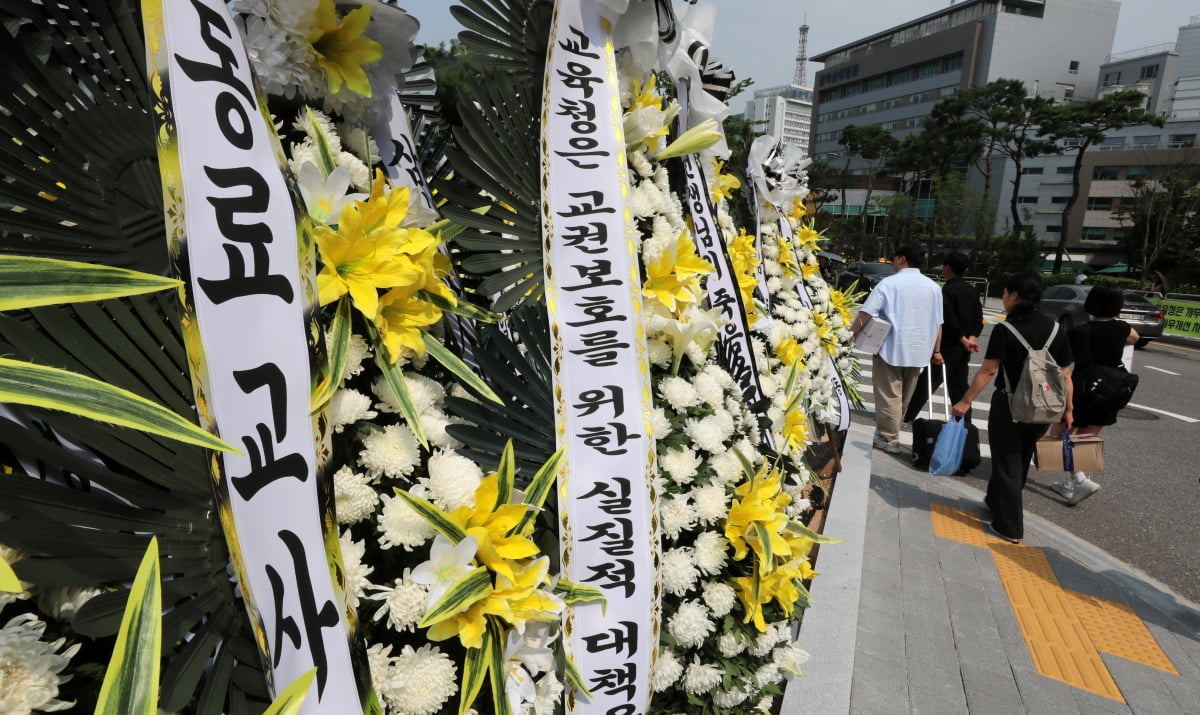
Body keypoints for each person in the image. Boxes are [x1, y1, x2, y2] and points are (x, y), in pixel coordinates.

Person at [951, 272, 1073, 543]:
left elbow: (988, 371)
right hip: (1045, 407)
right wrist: (1068, 411)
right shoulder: (1055, 328)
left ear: (1015, 295)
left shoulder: (1005, 329)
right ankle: (995, 502)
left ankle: (1009, 527)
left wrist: (965, 401)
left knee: (1007, 462)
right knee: (1019, 457)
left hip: (1010, 406)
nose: (1004, 298)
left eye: (1005, 293)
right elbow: (1065, 375)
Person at [1048, 284, 1139, 504]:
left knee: (1061, 434)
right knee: (1087, 436)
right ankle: (1073, 481)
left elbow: (1063, 361)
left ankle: (1079, 479)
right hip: (1112, 387)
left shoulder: (1079, 332)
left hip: (1082, 387)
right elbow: (1134, 338)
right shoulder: (1122, 328)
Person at [850, 244, 943, 455]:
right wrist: (936, 350)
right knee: (904, 397)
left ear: (902, 259)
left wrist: (853, 332)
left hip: (892, 346)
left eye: (894, 259)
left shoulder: (889, 284)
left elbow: (866, 313)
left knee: (888, 395)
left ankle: (889, 438)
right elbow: (939, 322)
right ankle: (889, 431)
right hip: (921, 349)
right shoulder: (934, 287)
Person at [903, 252, 983, 424]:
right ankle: (964, 422)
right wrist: (970, 339)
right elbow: (978, 318)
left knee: (926, 384)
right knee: (959, 387)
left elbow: (948, 319)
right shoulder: (971, 290)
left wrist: (961, 339)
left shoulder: (947, 290)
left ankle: (907, 416)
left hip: (947, 346)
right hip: (964, 349)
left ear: (947, 268)